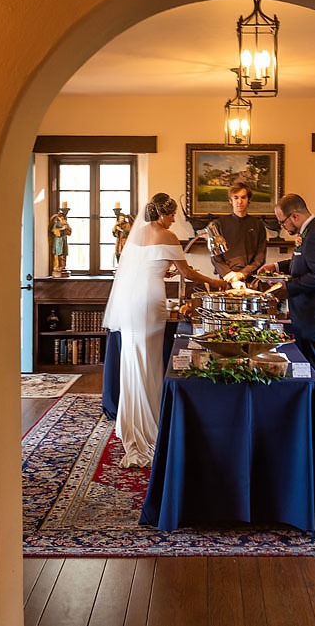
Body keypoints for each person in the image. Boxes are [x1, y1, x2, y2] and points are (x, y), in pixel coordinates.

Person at [103, 191, 228, 468]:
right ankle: (150, 422)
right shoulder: (168, 236)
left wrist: (162, 269)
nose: (173, 220)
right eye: (171, 215)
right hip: (149, 301)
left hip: (131, 301)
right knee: (147, 358)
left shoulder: (137, 234)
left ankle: (132, 420)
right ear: (162, 213)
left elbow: (139, 265)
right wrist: (217, 283)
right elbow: (188, 273)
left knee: (134, 358)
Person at [259, 193, 315, 419]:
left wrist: (287, 289)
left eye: (282, 222)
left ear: (295, 216)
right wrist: (276, 265)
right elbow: (302, 261)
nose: (282, 226)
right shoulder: (310, 232)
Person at [210, 182, 268, 285]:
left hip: (251, 279)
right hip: (226, 279)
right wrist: (229, 275)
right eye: (236, 198)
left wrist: (242, 274)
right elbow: (216, 257)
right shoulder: (218, 224)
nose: (239, 201)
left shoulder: (258, 225)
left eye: (243, 197)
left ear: (248, 200)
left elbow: (260, 257)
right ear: (230, 201)